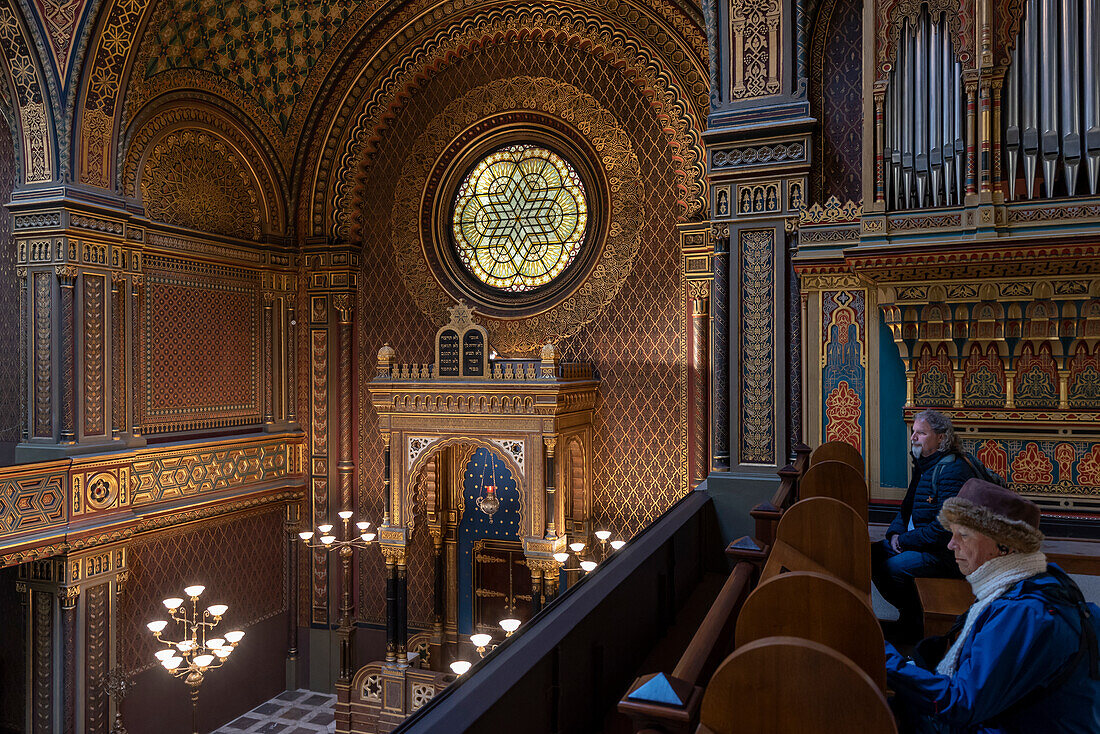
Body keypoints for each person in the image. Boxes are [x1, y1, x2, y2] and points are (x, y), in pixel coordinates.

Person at [885, 479, 1100, 733]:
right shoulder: (1016, 586)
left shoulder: (1026, 612)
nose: (950, 545)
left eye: (963, 535)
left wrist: (884, 659)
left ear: (1004, 546)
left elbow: (961, 704)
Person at [874, 410, 974, 642]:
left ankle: (915, 620)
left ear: (941, 437)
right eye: (913, 432)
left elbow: (944, 529)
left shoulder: (951, 470)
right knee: (870, 556)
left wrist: (905, 541)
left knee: (893, 568)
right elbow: (907, 508)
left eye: (921, 433)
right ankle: (907, 616)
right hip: (920, 542)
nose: (913, 437)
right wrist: (895, 534)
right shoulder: (926, 464)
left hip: (945, 553)